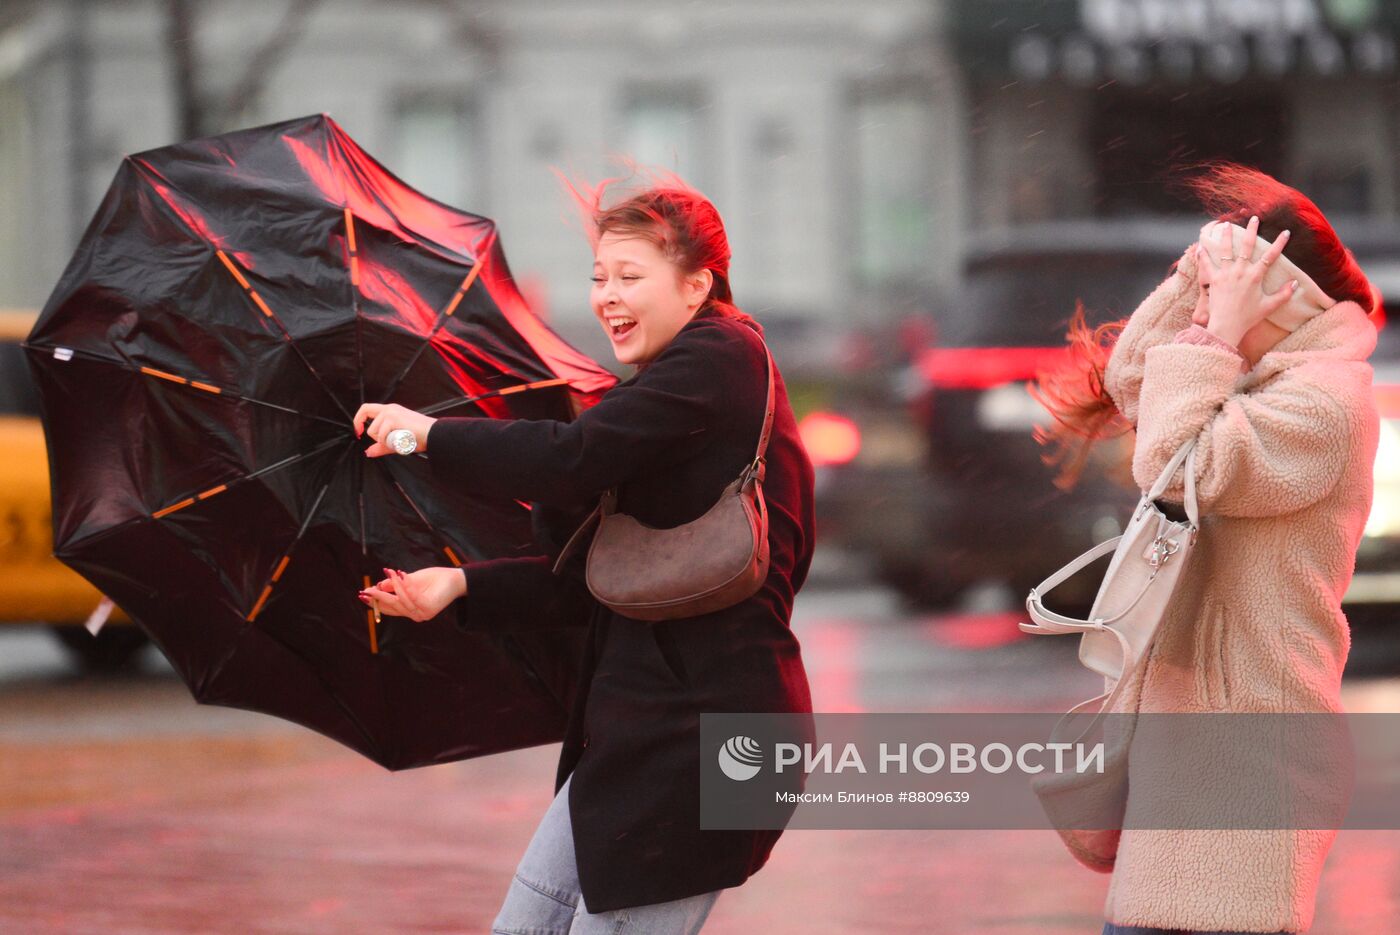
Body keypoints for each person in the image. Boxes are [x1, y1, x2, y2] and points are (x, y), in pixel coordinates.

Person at [350, 174, 816, 934]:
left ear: (697, 285)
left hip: (710, 744)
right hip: (637, 743)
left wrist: (422, 432)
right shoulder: (668, 395)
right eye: (599, 277)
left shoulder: (721, 361)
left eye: (630, 276)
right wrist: (460, 585)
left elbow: (571, 458)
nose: (607, 296)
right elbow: (597, 581)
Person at [1033, 164, 1380, 934]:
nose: (1202, 303)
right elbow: (1135, 379)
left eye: (1225, 282)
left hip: (1249, 761)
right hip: (1196, 743)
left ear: (1283, 294)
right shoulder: (1263, 377)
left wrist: (1215, 333)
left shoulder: (1326, 402)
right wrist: (1204, 272)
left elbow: (1177, 464)